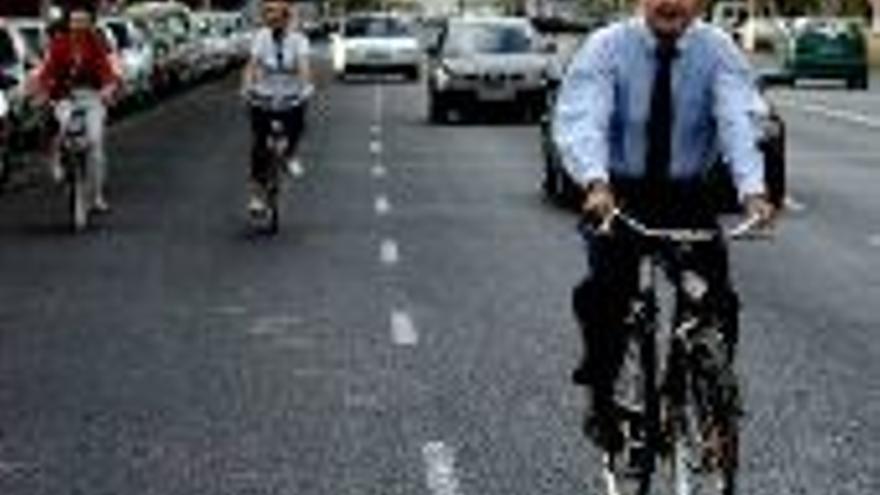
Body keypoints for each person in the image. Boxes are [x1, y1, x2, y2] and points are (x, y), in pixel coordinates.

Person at [552, 0, 776, 449]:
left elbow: (737, 118)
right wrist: (595, 181)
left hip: (686, 194)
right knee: (605, 296)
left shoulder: (718, 50)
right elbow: (585, 117)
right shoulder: (607, 47)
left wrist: (752, 189)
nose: (670, 4)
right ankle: (601, 396)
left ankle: (710, 401)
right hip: (619, 191)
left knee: (717, 299)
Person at [33, 3, 118, 212]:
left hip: (92, 98)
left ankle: (96, 195)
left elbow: (106, 70)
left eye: (83, 22)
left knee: (95, 142)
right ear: (68, 23)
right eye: (75, 21)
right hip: (65, 97)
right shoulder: (59, 43)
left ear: (90, 24)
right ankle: (59, 162)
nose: (79, 25)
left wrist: (108, 88)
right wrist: (42, 90)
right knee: (61, 129)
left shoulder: (96, 43)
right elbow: (48, 71)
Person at [241, 0, 312, 214]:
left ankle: (290, 155)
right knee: (259, 147)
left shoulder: (298, 40)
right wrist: (246, 87)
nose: (271, 16)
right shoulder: (261, 38)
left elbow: (303, 66)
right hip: (263, 96)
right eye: (267, 12)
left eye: (275, 12)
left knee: (297, 125)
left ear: (286, 16)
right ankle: (255, 198)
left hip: (291, 96)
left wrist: (306, 86)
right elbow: (251, 66)